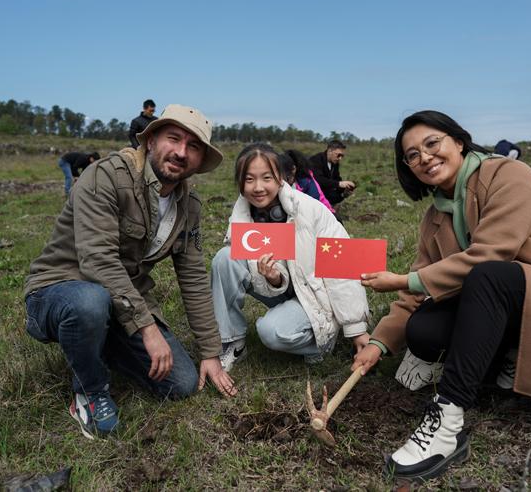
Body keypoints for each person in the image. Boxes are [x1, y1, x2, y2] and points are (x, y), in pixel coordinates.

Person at [351, 110, 531, 482]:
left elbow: (492, 253)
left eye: (432, 143)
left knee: (487, 274)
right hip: (504, 298)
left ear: (459, 142)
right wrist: (378, 343)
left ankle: (447, 422)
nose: (424, 157)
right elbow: (414, 293)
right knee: (423, 329)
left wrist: (402, 279)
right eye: (412, 155)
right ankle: (507, 355)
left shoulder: (508, 174)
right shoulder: (434, 217)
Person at [24, 104, 236, 439]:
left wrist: (210, 351)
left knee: (180, 384)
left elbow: (193, 278)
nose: (181, 152)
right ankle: (90, 391)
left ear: (200, 160)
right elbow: (97, 260)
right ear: (151, 141)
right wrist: (147, 329)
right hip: (60, 290)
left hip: (121, 300)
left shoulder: (188, 206)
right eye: (173, 138)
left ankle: (99, 342)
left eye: (193, 146)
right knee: (89, 302)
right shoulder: (106, 176)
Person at [211, 144, 370, 372]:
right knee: (224, 258)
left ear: (281, 178)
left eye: (267, 178)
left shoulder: (311, 210)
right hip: (284, 289)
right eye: (249, 179)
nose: (258, 187)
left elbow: (343, 266)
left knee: (272, 331)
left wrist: (356, 328)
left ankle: (319, 343)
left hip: (317, 296)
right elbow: (257, 274)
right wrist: (274, 278)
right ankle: (232, 341)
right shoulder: (242, 215)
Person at [308, 140, 355, 207]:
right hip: (312, 196)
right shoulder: (316, 160)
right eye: (338, 155)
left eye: (342, 156)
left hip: (325, 195)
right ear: (330, 151)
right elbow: (319, 180)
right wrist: (339, 184)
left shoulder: (334, 163)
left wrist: (345, 189)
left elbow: (336, 179)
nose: (340, 158)